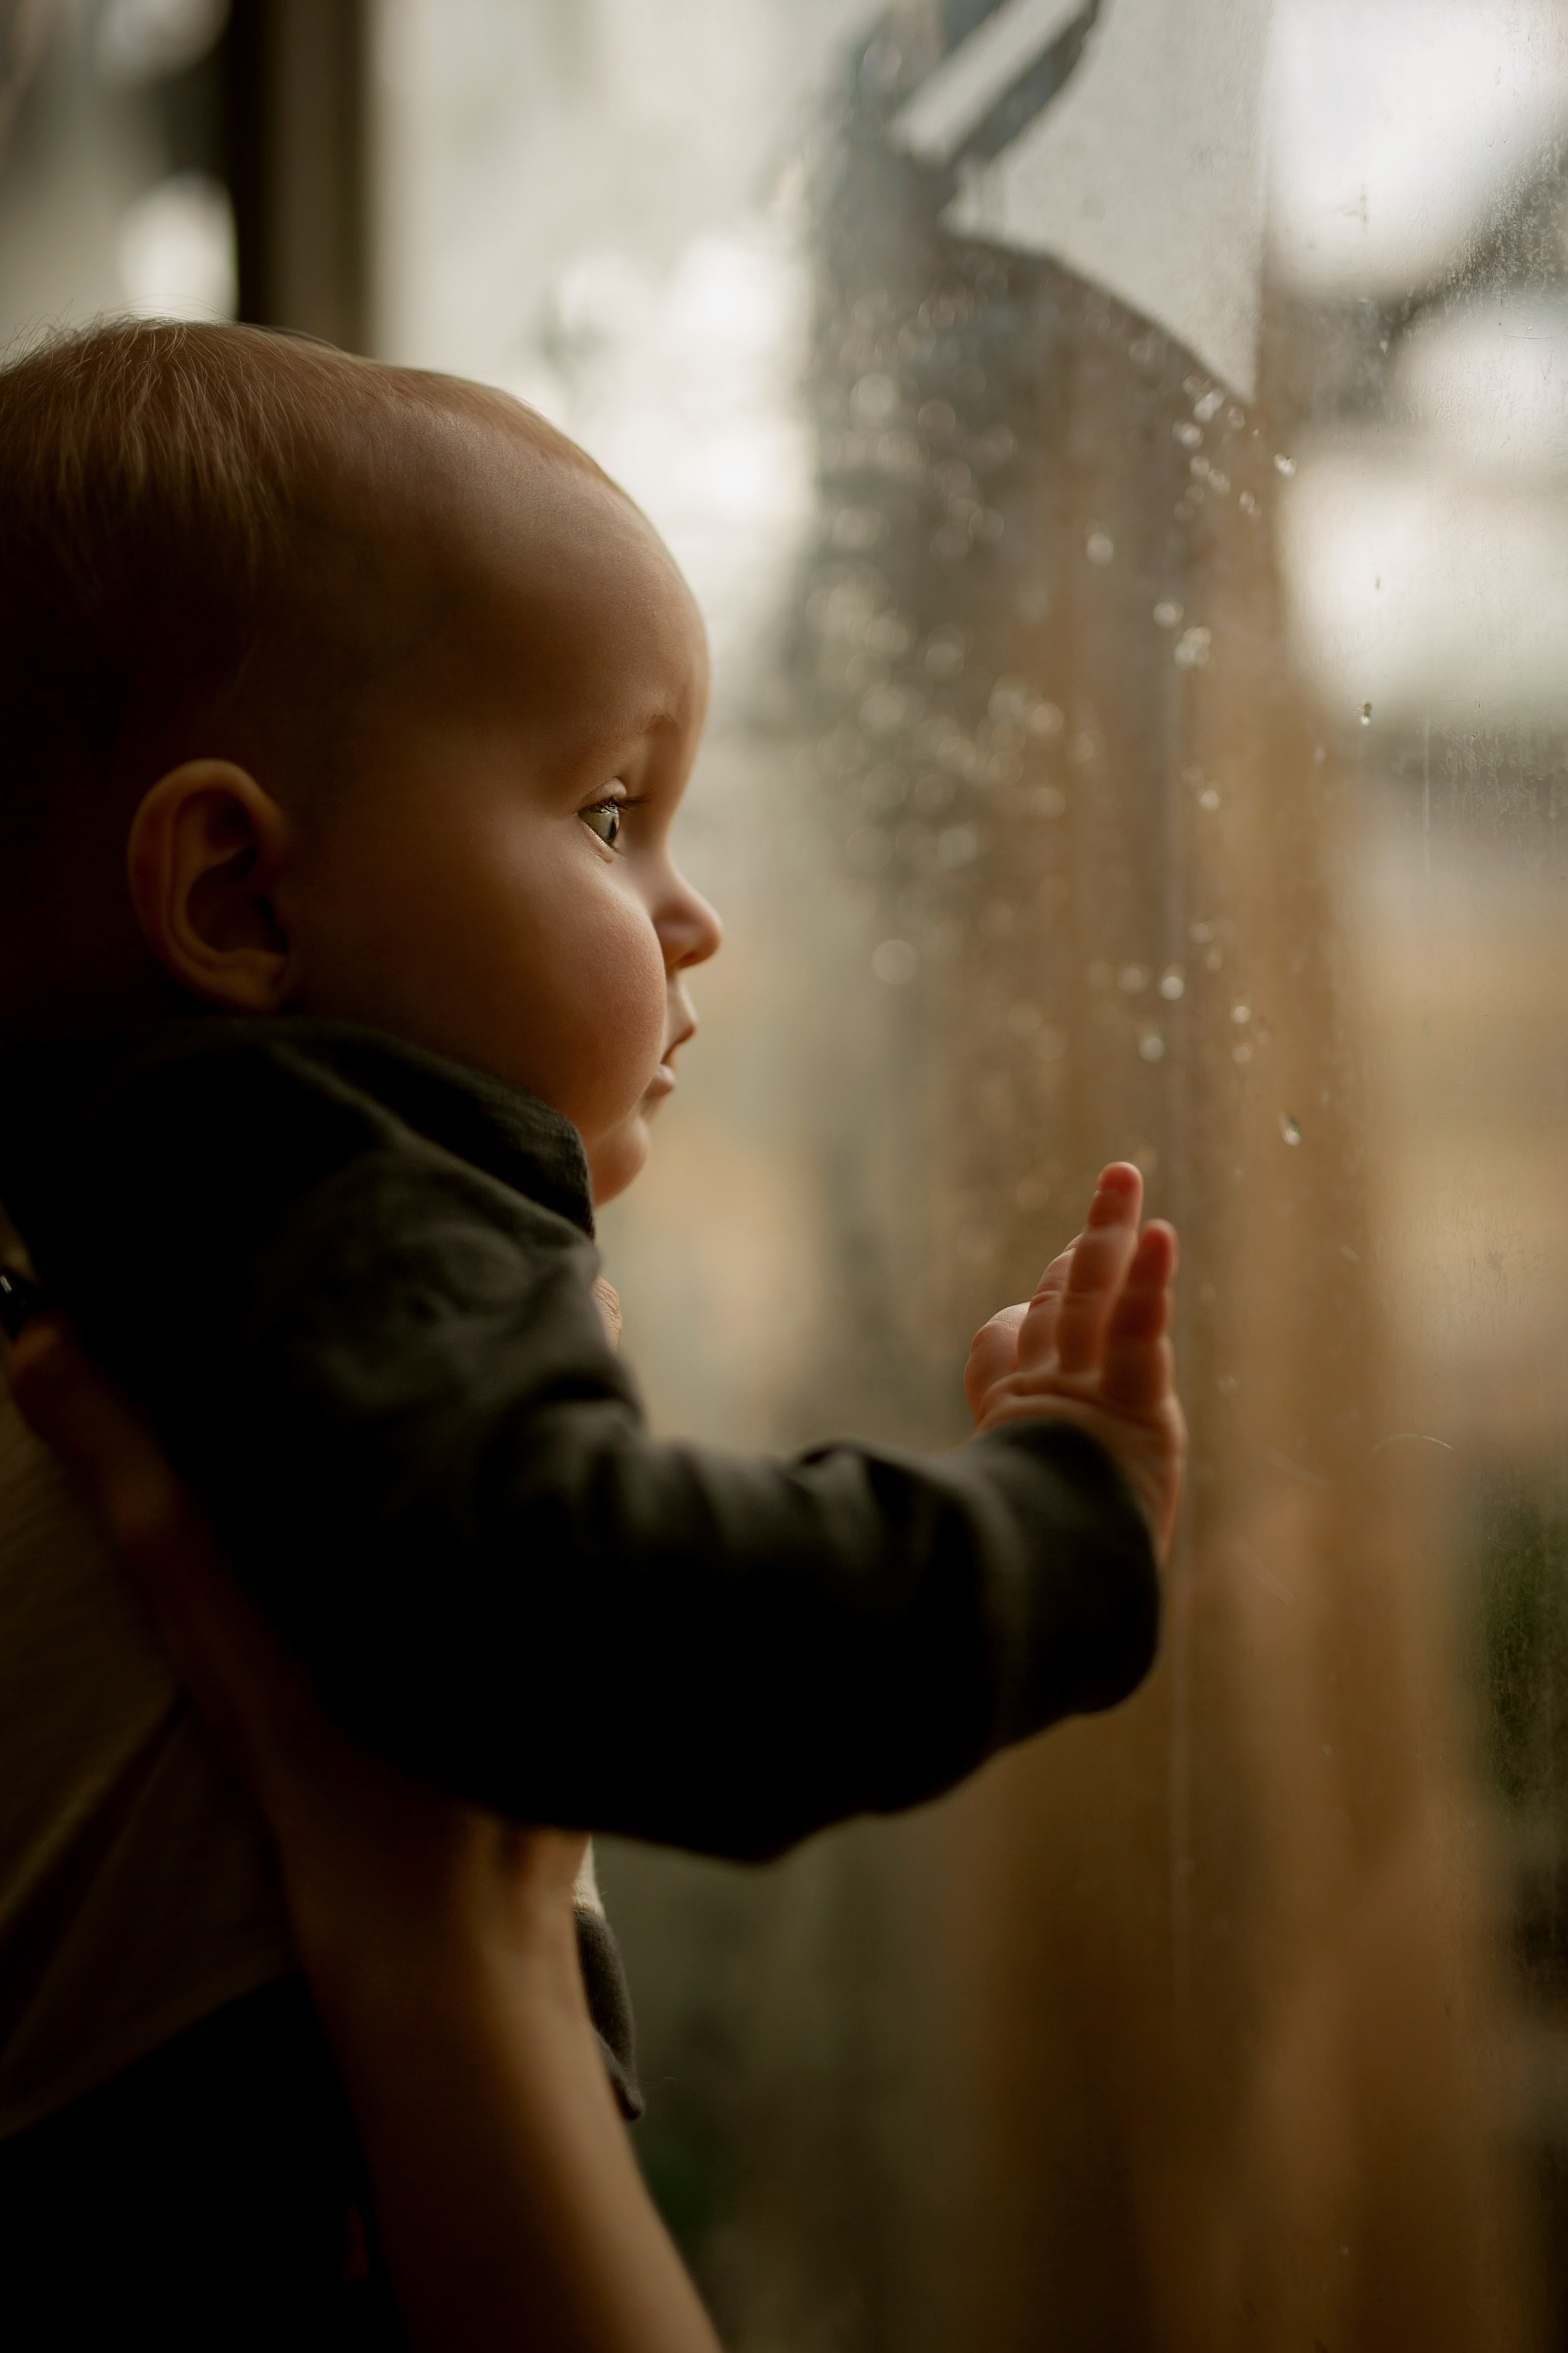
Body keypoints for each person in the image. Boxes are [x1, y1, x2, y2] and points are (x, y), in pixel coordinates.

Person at [0, 317, 1185, 2335]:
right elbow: (608, 1624)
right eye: (613, 814)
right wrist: (1062, 1530)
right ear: (240, 896)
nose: (691, 914)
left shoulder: (136, 1237)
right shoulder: (315, 1181)